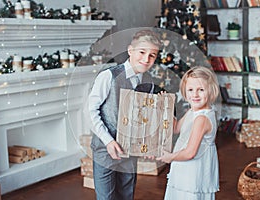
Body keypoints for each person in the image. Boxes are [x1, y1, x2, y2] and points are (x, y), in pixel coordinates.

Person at [88, 29, 161, 200]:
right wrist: (108, 141)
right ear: (130, 50)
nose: (146, 59)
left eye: (152, 55)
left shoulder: (148, 83)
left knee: (126, 196)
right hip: (105, 150)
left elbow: (144, 117)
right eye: (142, 52)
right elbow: (91, 111)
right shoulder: (108, 76)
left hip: (130, 152)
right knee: (106, 197)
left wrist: (148, 144)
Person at [157, 66, 220, 200]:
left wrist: (170, 157)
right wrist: (167, 108)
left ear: (211, 90)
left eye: (201, 90)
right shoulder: (193, 111)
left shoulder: (202, 118)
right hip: (184, 169)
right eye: (190, 90)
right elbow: (176, 129)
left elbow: (190, 152)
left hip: (192, 173)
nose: (195, 95)